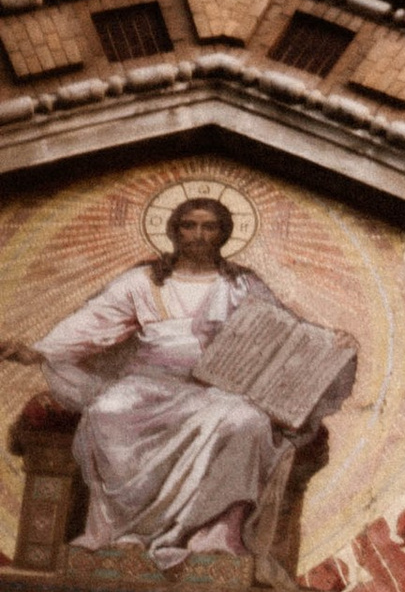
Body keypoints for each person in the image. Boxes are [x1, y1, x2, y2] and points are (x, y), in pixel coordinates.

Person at [1, 197, 300, 571]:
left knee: (246, 422)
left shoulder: (243, 284)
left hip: (217, 391)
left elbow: (284, 334)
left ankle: (217, 536)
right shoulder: (142, 281)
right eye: (190, 226)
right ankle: (121, 533)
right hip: (149, 385)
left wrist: (333, 342)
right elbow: (93, 322)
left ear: (224, 234)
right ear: (174, 231)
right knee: (107, 412)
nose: (199, 235)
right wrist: (37, 351)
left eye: (210, 227)